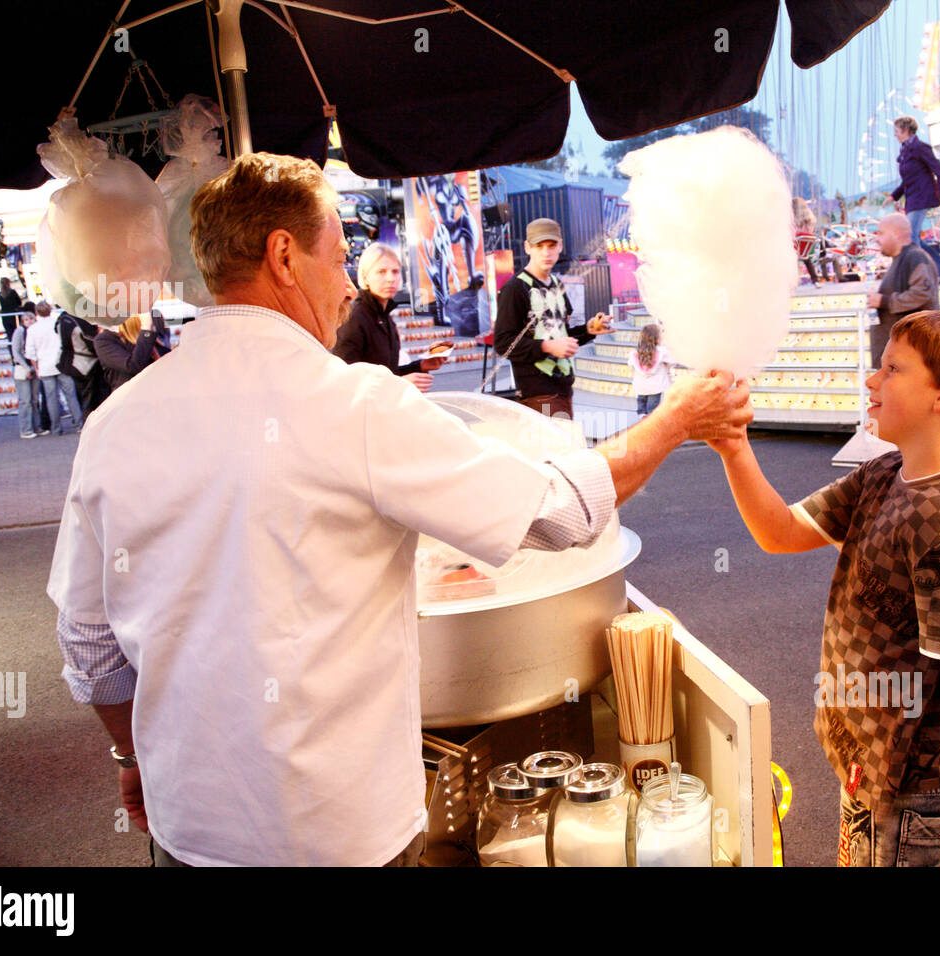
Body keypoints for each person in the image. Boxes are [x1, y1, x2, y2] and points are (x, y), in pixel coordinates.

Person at [47, 152, 753, 868]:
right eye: (339, 256)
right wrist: (673, 420)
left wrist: (131, 752)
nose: (349, 284)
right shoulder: (354, 405)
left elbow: (90, 643)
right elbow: (556, 513)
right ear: (283, 256)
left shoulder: (114, 424)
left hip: (186, 830)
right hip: (340, 835)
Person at [710, 310, 940, 867]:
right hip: (874, 765)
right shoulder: (884, 472)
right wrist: (735, 445)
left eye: (892, 369)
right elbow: (781, 533)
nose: (872, 381)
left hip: (918, 782)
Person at [494, 218, 612, 418]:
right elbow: (503, 343)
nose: (546, 252)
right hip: (538, 394)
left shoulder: (557, 284)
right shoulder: (515, 288)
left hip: (562, 388)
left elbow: (560, 335)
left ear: (560, 247)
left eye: (551, 245)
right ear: (527, 247)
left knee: (561, 447)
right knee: (556, 448)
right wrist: (546, 347)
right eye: (539, 246)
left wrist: (588, 330)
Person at [332, 241, 446, 393]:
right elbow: (345, 380)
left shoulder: (385, 317)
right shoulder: (355, 318)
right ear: (365, 277)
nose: (390, 278)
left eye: (395, 271)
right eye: (381, 272)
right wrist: (397, 384)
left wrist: (421, 365)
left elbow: (389, 372)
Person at [865, 213, 939, 369]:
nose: (877, 239)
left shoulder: (915, 258)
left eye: (881, 233)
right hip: (898, 362)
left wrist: (884, 301)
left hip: (910, 360)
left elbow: (922, 294)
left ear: (896, 234)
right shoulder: (900, 260)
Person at [889, 116, 940, 280]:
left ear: (905, 130)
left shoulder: (920, 148)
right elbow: (908, 180)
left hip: (922, 197)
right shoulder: (906, 150)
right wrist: (894, 195)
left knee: (910, 236)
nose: (895, 135)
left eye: (897, 131)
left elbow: (938, 170)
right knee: (912, 236)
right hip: (913, 199)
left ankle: (921, 272)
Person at [25, 301, 83, 435]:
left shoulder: (33, 329)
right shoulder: (57, 324)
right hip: (61, 363)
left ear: (36, 312)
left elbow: (30, 352)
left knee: (51, 398)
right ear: (50, 310)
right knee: (70, 395)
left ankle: (56, 427)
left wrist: (37, 368)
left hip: (45, 365)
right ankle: (79, 423)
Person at [93, 310, 172, 393]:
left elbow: (165, 352)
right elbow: (134, 366)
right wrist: (146, 329)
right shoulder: (105, 340)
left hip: (160, 390)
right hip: (131, 397)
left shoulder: (155, 318)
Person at [58, 312, 108, 419]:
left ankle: (84, 423)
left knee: (81, 397)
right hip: (86, 363)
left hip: (70, 362)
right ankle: (89, 425)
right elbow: (92, 342)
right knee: (90, 400)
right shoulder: (81, 320)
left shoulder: (63, 317)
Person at [10, 306, 44, 438]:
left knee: (35, 399)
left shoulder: (35, 332)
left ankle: (37, 426)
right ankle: (26, 429)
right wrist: (26, 367)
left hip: (33, 366)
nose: (29, 321)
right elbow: (16, 351)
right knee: (26, 400)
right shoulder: (19, 332)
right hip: (22, 368)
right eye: (26, 319)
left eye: (31, 319)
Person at [628, 323, 672, 416]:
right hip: (655, 387)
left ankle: (641, 424)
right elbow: (672, 361)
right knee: (652, 412)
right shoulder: (661, 352)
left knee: (641, 410)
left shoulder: (634, 354)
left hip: (640, 387)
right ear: (657, 338)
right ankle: (650, 427)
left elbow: (631, 367)